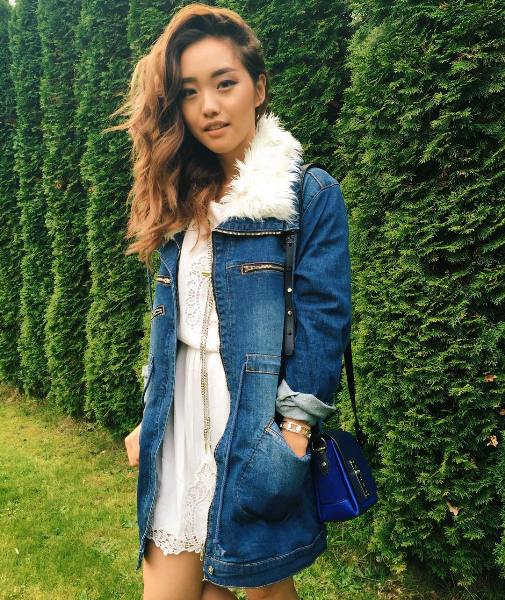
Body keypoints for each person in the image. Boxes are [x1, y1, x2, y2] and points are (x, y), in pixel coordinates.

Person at [115, 4, 352, 599]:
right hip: (179, 423)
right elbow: (174, 325)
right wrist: (151, 414)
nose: (209, 106)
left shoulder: (305, 194)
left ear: (258, 88)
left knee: (264, 589)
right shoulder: (180, 196)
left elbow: (323, 323)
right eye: (190, 92)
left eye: (225, 83)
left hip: (253, 423)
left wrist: (292, 436)